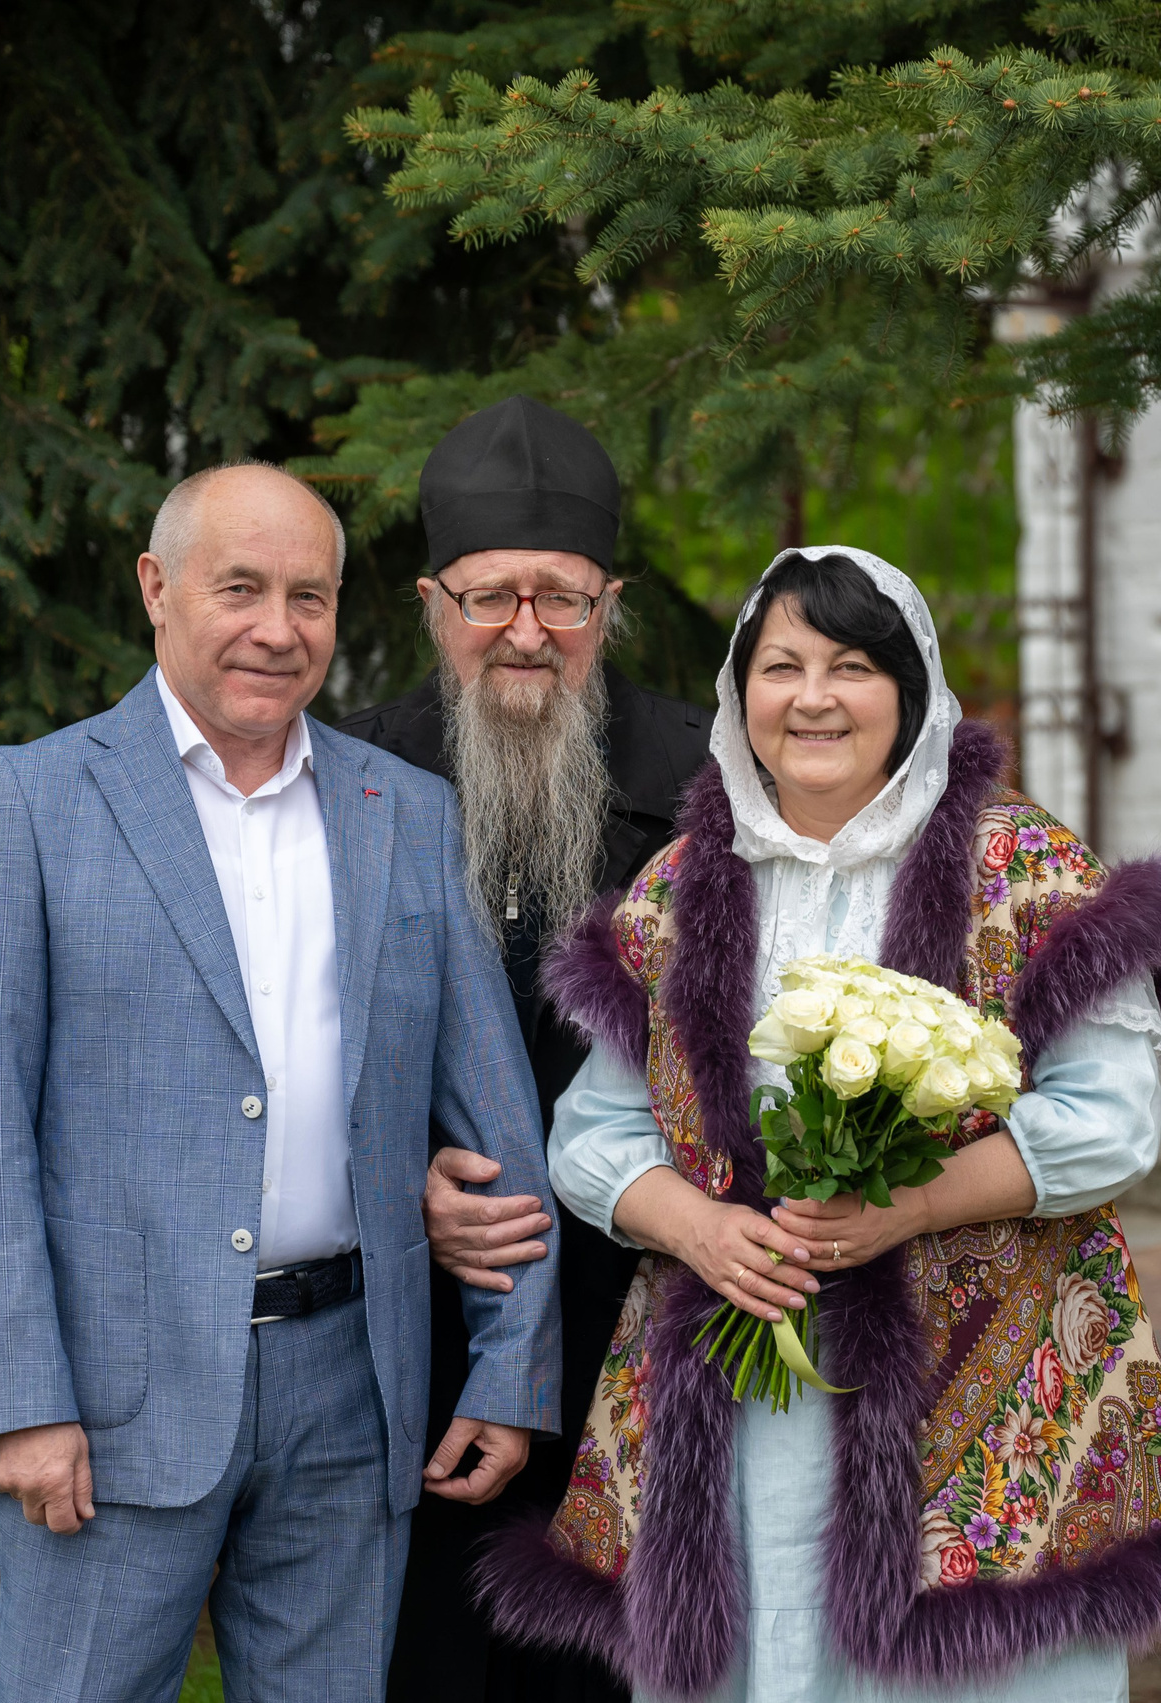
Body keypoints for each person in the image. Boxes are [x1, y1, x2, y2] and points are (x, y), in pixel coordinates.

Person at [480, 547, 1161, 1700]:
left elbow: (1108, 1121)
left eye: (850, 666)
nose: (812, 698)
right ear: (739, 690)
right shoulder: (677, 886)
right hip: (734, 1382)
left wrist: (915, 1201)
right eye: (781, 665)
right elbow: (594, 1132)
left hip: (976, 1378)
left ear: (910, 689)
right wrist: (698, 1227)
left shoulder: (1025, 866)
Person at [0, 462, 560, 1701]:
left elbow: (496, 1117)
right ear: (157, 588)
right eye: (240, 588)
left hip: (353, 1393)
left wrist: (510, 1364)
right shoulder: (31, 798)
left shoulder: (409, 812)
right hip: (107, 1398)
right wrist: (17, 1400)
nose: (277, 627)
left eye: (308, 597)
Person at [336, 395, 710, 1703]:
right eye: (491, 595)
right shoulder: (348, 774)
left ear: (612, 602)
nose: (527, 629)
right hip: (419, 1319)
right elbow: (285, 1039)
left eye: (563, 596)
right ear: (432, 602)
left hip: (642, 1309)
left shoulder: (713, 780)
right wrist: (396, 1182)